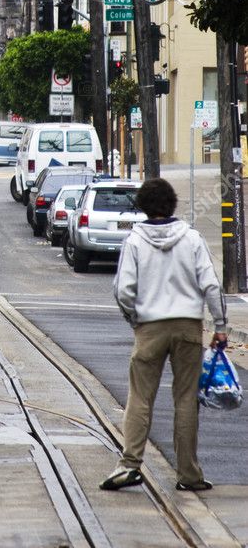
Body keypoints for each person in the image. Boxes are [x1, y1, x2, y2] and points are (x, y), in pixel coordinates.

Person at [100, 177, 227, 493]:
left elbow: (123, 290)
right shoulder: (193, 239)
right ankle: (189, 474)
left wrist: (135, 319)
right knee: (186, 399)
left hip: (149, 327)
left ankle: (129, 465)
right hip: (187, 327)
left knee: (140, 397)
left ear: (142, 206)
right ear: (172, 204)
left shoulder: (135, 242)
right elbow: (211, 285)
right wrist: (221, 326)